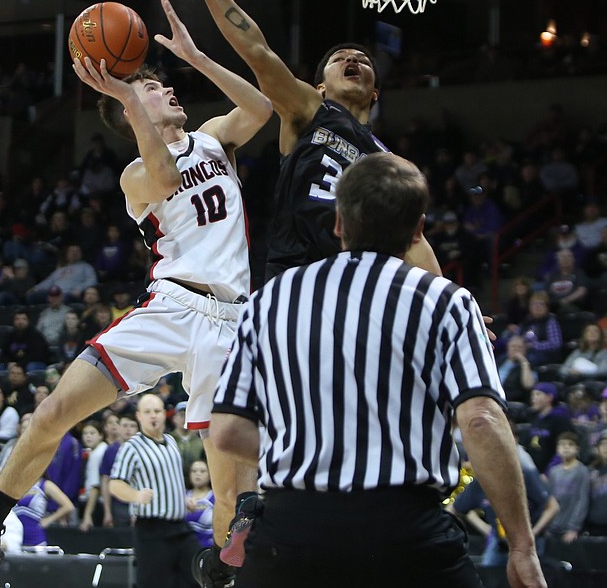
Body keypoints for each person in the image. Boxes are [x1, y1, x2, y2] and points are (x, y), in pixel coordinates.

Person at [0, 0, 270, 581]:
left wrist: (198, 57)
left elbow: (259, 105)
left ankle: (228, 571)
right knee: (51, 411)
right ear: (129, 107)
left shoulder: (214, 138)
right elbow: (165, 177)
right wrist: (130, 98)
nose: (167, 90)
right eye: (154, 87)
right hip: (172, 305)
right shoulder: (134, 175)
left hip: (232, 326)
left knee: (231, 497)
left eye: (161, 85)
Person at [210, 153, 547, 588]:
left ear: (338, 223)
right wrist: (521, 546)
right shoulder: (448, 301)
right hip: (407, 536)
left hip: (292, 536)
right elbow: (481, 419)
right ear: (417, 230)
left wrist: (312, 449)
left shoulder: (269, 300)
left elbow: (227, 432)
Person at [152, 0, 441, 282]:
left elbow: (414, 239)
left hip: (356, 280)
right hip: (297, 275)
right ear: (320, 87)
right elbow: (259, 52)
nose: (353, 59)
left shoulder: (391, 164)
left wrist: (452, 300)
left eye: (363, 60)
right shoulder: (310, 110)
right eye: (340, 59)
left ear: (375, 93)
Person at [107, 393, 201, 587]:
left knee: (196, 576)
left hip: (180, 526)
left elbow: (171, 478)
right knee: (154, 583)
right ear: (139, 416)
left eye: (157, 411)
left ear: (164, 414)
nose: (153, 416)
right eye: (148, 412)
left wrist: (182, 499)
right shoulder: (132, 447)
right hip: (152, 529)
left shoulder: (172, 442)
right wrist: (136, 495)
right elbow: (114, 485)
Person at [547, 432, 589, 544]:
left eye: (570, 444)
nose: (566, 447)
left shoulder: (582, 471)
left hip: (570, 527)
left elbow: (582, 500)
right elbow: (550, 499)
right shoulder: (554, 472)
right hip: (553, 526)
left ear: (577, 449)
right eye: (562, 444)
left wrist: (574, 527)